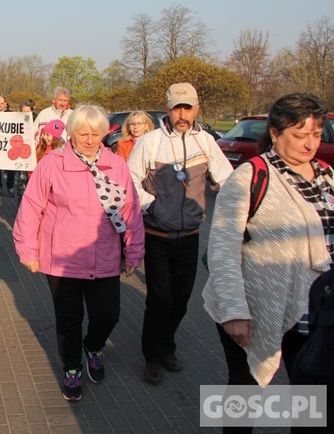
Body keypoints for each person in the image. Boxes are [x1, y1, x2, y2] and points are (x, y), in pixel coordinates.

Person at [203, 94, 333, 398]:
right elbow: (223, 249)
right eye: (300, 135)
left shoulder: (327, 174)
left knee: (310, 395)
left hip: (315, 310)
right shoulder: (250, 176)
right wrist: (235, 311)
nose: (310, 144)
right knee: (244, 392)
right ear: (275, 133)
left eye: (316, 134)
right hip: (257, 305)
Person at [13, 104, 145, 402]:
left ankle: (94, 347)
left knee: (108, 314)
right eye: (82, 133)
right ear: (70, 133)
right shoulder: (52, 164)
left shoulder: (116, 165)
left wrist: (134, 251)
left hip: (105, 256)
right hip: (62, 258)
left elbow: (131, 210)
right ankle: (71, 368)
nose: (88, 139)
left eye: (95, 133)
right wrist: (28, 249)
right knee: (68, 319)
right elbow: (32, 207)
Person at [128, 82, 233, 385]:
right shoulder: (150, 141)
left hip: (190, 233)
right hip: (157, 234)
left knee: (182, 299)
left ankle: (167, 346)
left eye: (188, 107)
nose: (182, 113)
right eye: (177, 108)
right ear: (167, 109)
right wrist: (153, 205)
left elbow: (228, 180)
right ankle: (152, 356)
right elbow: (130, 183)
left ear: (197, 108)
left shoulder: (206, 141)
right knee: (160, 297)